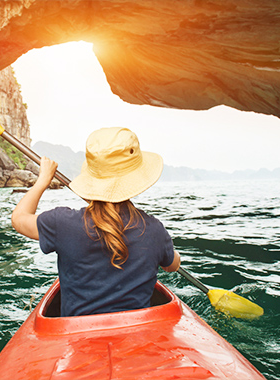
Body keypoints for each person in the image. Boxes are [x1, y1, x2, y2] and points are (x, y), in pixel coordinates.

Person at [10, 127, 180, 317]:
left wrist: (43, 180)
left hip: (77, 336)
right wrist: (165, 249)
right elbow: (172, 265)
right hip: (135, 334)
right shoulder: (155, 230)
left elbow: (18, 218)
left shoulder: (62, 223)